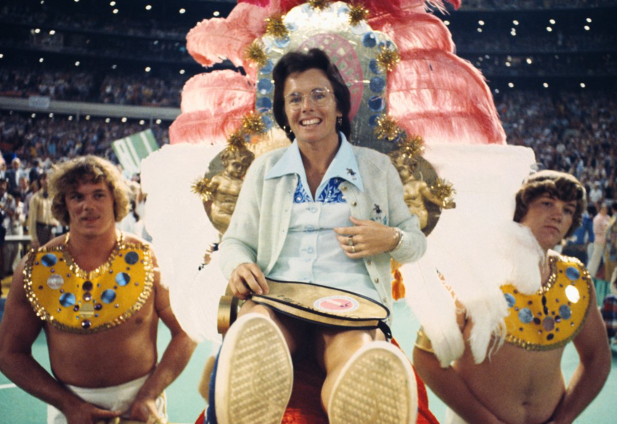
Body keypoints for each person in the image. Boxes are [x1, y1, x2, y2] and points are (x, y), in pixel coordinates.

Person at [215, 49, 428, 424]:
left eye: (319, 94)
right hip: (277, 296)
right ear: (284, 113)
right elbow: (235, 241)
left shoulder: (376, 168)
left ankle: (360, 398)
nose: (306, 106)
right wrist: (239, 264)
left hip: (352, 304)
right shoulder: (265, 169)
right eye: (294, 98)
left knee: (357, 359)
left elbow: (415, 243)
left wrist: (390, 239)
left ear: (339, 105)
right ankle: (251, 399)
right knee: (255, 331)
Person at [0, 155, 196, 424]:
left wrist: (150, 394)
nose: (87, 206)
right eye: (77, 197)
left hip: (142, 409)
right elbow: (9, 353)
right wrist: (67, 404)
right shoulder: (35, 268)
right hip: (70, 412)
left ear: (115, 200)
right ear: (64, 204)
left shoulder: (149, 258)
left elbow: (186, 332)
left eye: (98, 195)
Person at [413, 170, 611, 424]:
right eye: (547, 203)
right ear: (520, 208)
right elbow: (426, 356)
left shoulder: (576, 278)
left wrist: (565, 417)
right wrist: (485, 420)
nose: (558, 214)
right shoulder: (475, 266)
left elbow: (598, 358)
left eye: (568, 209)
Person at [204, 145, 255, 235]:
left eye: (244, 167)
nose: (240, 169)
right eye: (236, 165)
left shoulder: (243, 184)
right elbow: (206, 193)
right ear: (226, 163)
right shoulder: (218, 179)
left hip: (236, 215)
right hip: (219, 213)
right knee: (238, 226)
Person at [28, 171, 58, 249]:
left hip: (51, 229)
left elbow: (55, 213)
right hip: (40, 230)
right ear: (41, 181)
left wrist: (55, 222)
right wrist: (34, 238)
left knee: (53, 255)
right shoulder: (35, 198)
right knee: (39, 257)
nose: (47, 181)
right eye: (44, 179)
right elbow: (32, 219)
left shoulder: (52, 197)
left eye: (48, 178)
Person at [588, 203, 610, 277]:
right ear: (600, 210)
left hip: (608, 241)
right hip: (600, 240)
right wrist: (604, 230)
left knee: (607, 259)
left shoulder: (608, 217)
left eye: (606, 209)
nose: (605, 211)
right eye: (603, 209)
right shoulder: (597, 218)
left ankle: (605, 275)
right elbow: (596, 230)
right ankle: (590, 273)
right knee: (596, 258)